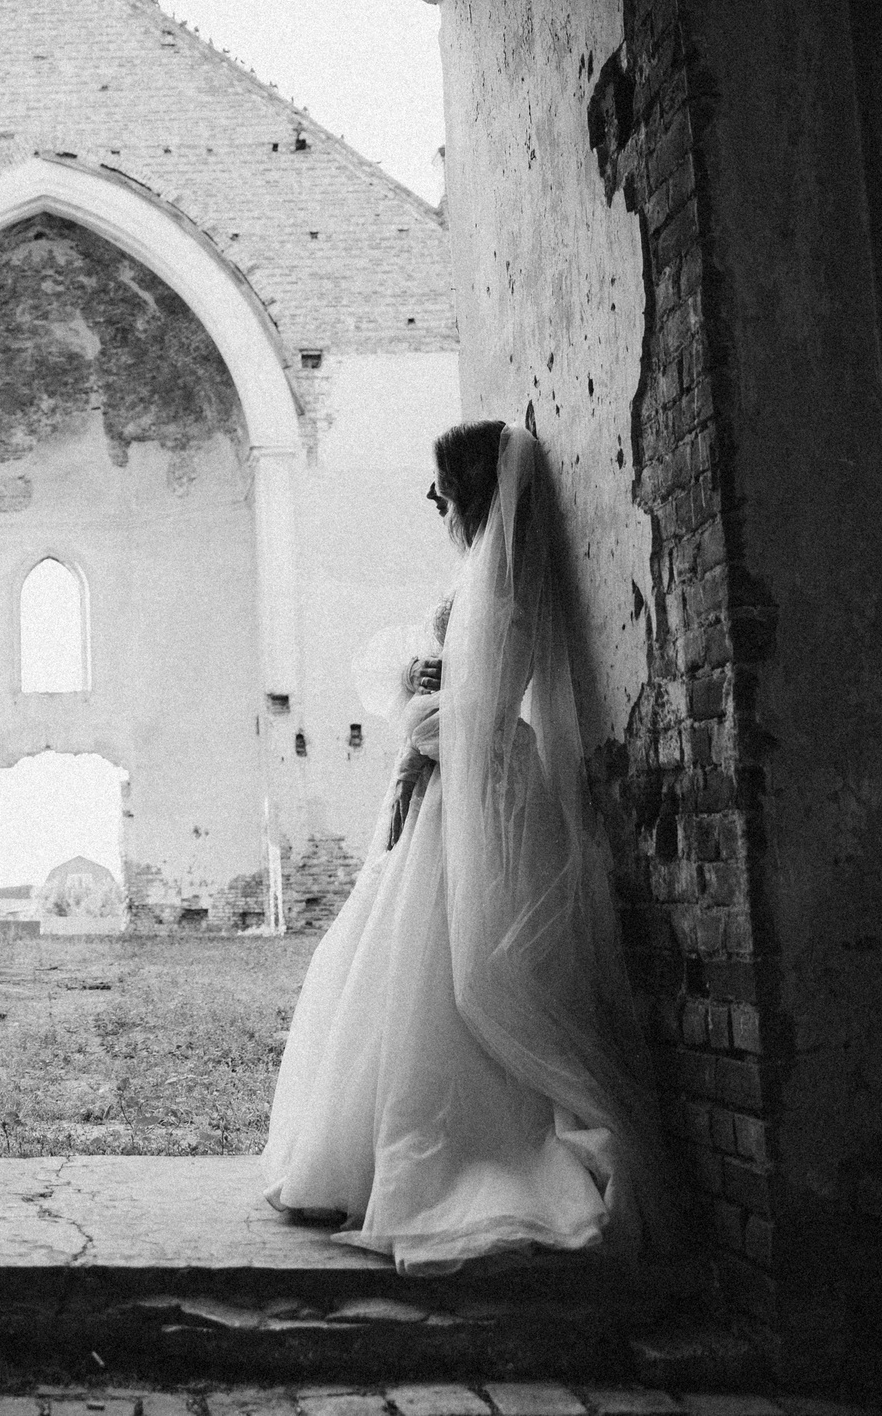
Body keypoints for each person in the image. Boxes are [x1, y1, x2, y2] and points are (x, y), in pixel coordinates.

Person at [261, 420, 672, 1273]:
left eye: (443, 483)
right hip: (462, 785)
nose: (432, 499)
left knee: (454, 964)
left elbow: (478, 710)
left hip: (477, 788)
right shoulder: (483, 580)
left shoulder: (506, 592)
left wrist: (417, 716)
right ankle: (371, 1156)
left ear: (474, 489)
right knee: (403, 963)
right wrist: (424, 695)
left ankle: (471, 1162)